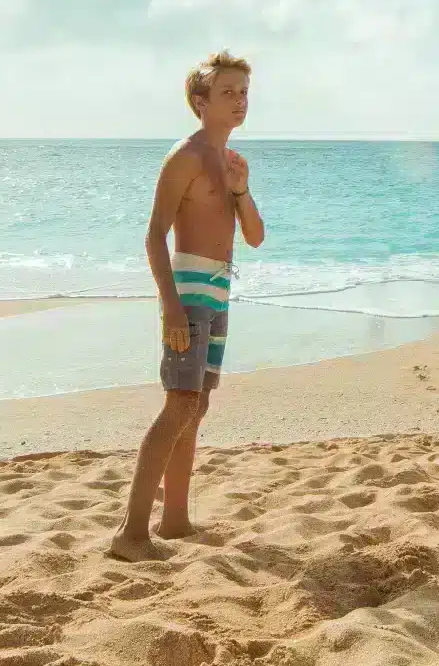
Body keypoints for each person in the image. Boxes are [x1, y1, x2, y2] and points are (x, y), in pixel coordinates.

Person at [110, 51, 266, 562]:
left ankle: (175, 520)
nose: (240, 101)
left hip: (219, 292)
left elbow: (256, 237)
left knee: (196, 407)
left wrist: (242, 190)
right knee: (179, 403)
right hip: (189, 294)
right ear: (200, 102)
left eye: (244, 92)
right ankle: (131, 533)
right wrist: (169, 308)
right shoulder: (186, 155)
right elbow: (154, 235)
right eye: (228, 92)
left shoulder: (230, 162)